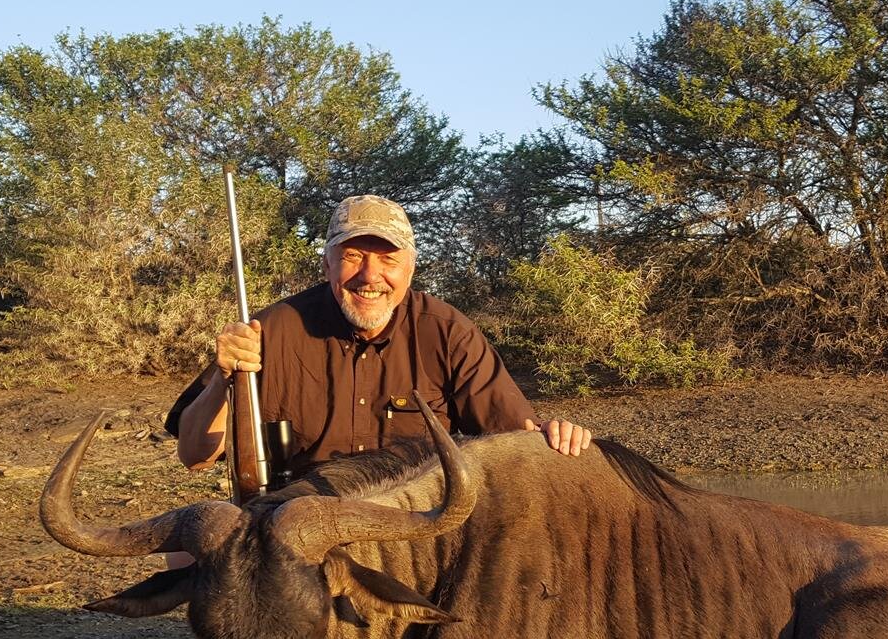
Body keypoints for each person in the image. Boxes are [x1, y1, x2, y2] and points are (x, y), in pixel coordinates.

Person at [167, 193, 591, 490]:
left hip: (413, 524)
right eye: (353, 256)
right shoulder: (271, 329)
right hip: (302, 521)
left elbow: (513, 441)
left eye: (388, 259)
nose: (370, 277)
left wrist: (553, 437)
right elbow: (194, 456)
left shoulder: (447, 331)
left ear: (410, 267)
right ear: (327, 264)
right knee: (189, 556)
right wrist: (225, 380)